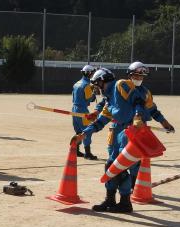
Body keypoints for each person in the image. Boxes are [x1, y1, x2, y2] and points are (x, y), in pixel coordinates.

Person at [91, 61, 174, 213]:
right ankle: (113, 200)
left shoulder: (145, 93)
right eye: (136, 75)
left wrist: (164, 122)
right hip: (117, 130)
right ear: (129, 74)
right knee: (113, 164)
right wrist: (96, 114)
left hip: (134, 131)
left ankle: (126, 198)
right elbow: (105, 102)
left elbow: (153, 110)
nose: (138, 78)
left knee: (126, 168)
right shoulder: (120, 87)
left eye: (141, 76)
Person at [77, 68, 117, 159]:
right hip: (117, 126)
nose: (98, 87)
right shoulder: (110, 95)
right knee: (112, 149)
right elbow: (103, 105)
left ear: (105, 80)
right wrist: (96, 112)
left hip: (129, 128)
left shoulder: (120, 89)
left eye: (99, 84)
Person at [72, 64, 98, 159]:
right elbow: (89, 99)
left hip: (74, 109)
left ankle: (76, 150)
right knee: (87, 130)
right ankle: (87, 153)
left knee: (78, 130)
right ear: (89, 74)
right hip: (82, 109)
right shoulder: (87, 85)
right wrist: (94, 94)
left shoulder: (77, 83)